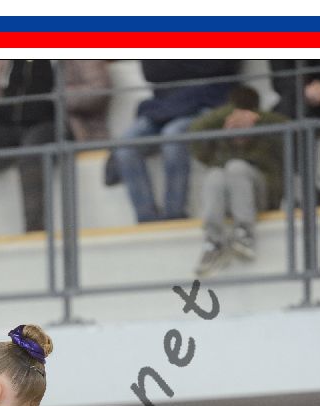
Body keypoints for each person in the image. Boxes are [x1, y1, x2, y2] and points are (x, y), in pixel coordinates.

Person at [0, 60, 110, 237]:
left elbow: (99, 89)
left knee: (32, 155)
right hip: (6, 125)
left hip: (55, 121)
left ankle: (35, 233)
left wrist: (58, 97)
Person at [107, 59, 239, 222]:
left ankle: (174, 213)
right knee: (125, 146)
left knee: (172, 134)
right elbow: (152, 72)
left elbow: (220, 65)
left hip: (208, 99)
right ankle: (146, 218)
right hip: (163, 105)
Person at [188, 85, 289, 276]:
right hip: (227, 199)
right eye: (235, 123)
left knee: (237, 167)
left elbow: (290, 128)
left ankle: (244, 234)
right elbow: (194, 130)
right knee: (215, 174)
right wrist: (228, 113)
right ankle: (213, 242)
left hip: (262, 197)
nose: (239, 129)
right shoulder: (219, 146)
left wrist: (257, 118)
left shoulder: (269, 138)